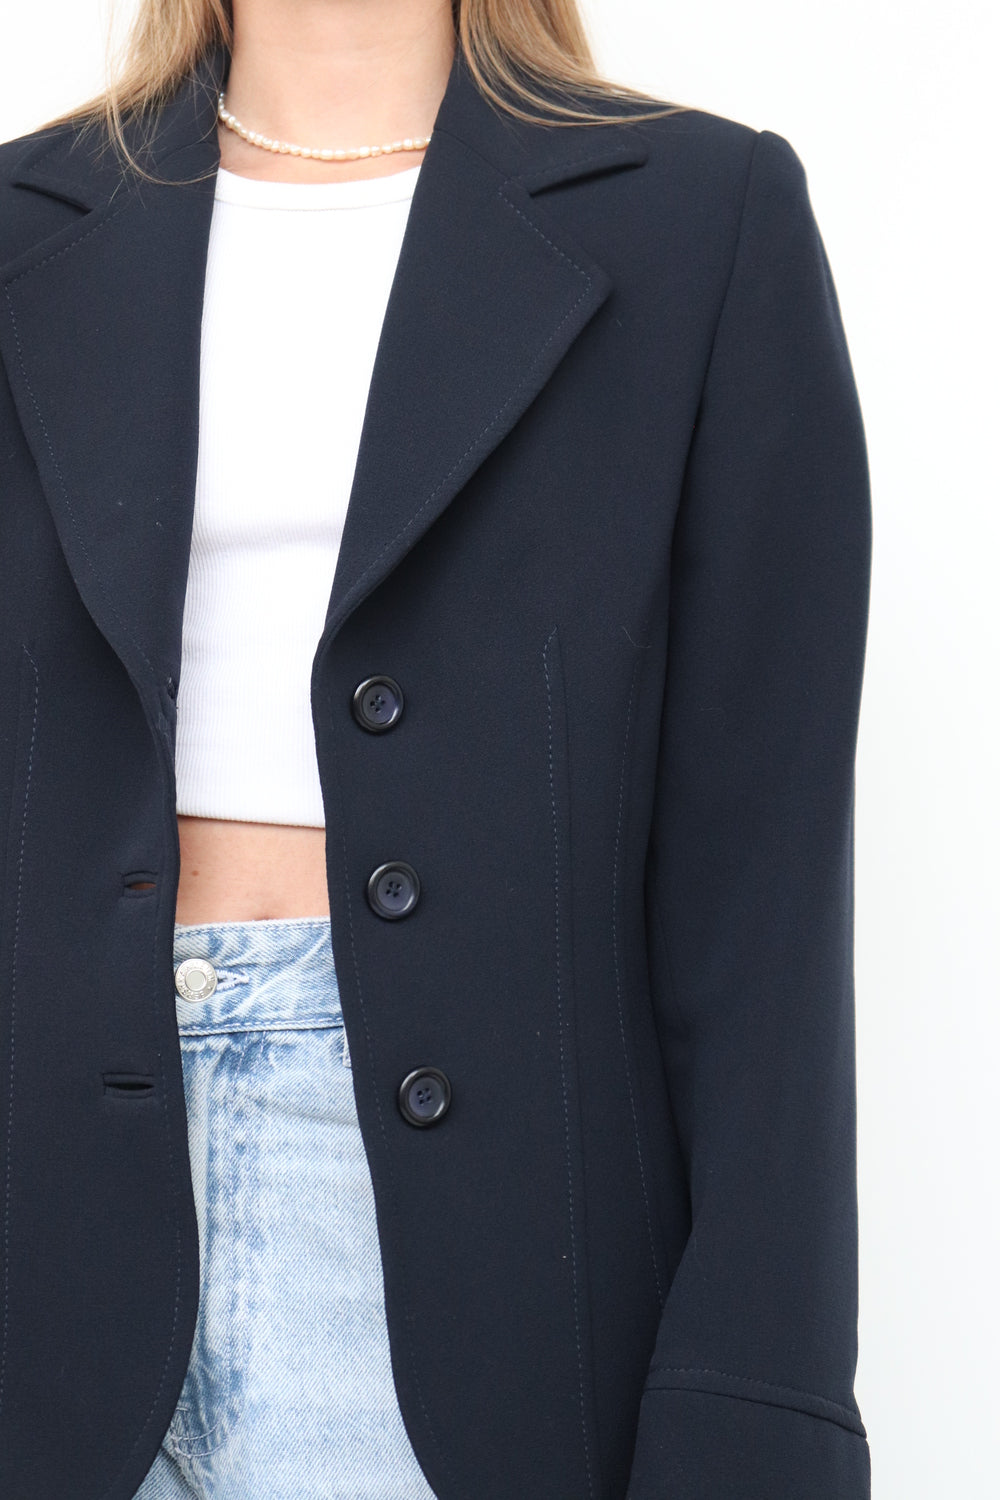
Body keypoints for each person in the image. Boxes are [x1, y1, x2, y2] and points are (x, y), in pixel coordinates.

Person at [0, 0, 873, 1496]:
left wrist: (756, 1405)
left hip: (472, 1244)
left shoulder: (701, 218)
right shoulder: (25, 227)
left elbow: (763, 894)